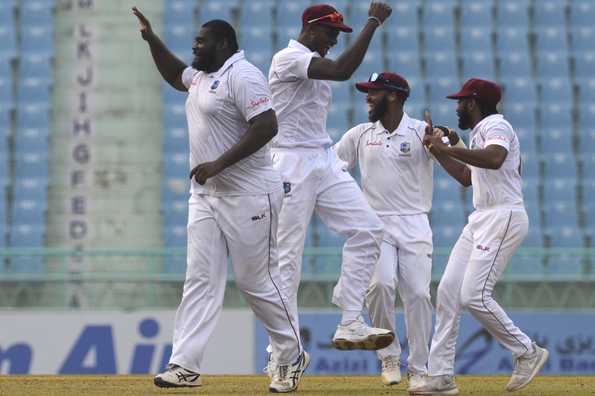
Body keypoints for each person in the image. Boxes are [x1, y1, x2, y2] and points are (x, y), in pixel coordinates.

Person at [132, 7, 308, 393]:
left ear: (224, 44)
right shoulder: (203, 76)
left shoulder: (244, 76)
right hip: (206, 195)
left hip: (250, 195)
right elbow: (176, 75)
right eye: (195, 41)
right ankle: (185, 365)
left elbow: (267, 126)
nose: (195, 46)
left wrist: (218, 164)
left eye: (201, 41)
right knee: (199, 280)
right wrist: (151, 40)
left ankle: (290, 352)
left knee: (253, 281)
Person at [267, 2, 395, 361]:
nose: (334, 42)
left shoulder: (312, 62)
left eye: (339, 36)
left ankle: (350, 320)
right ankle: (282, 354)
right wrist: (373, 22)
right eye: (331, 34)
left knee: (369, 230)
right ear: (310, 29)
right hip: (289, 162)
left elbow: (336, 69)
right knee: (287, 260)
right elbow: (342, 70)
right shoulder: (288, 58)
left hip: (322, 159)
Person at [409, 78, 549, 395]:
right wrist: (435, 150)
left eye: (460, 102)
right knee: (447, 292)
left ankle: (527, 351)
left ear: (473, 103)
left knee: (474, 295)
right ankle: (441, 376)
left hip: (503, 215)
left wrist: (448, 146)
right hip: (482, 217)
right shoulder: (478, 134)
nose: (457, 107)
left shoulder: (496, 125)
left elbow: (495, 158)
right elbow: (464, 177)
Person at [333, 72, 463, 390]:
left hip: (415, 222)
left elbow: (462, 165)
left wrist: (446, 140)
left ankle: (419, 368)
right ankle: (389, 357)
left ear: (393, 96)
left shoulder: (421, 132)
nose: (367, 97)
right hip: (375, 223)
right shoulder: (360, 134)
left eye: (373, 92)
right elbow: (330, 168)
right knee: (379, 285)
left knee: (418, 294)